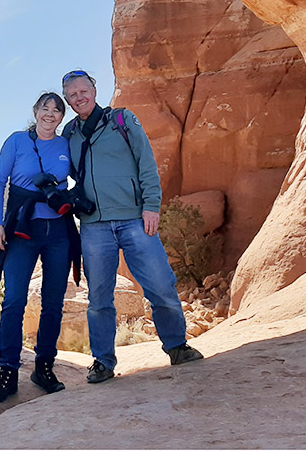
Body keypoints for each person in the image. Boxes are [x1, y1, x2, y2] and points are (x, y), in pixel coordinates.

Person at [60, 69, 203, 384]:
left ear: (94, 91)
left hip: (134, 218)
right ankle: (103, 362)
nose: (79, 97)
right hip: (94, 225)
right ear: (69, 101)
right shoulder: (69, 134)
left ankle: (177, 347)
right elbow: (64, 172)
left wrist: (152, 205)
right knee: (99, 298)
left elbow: (146, 162)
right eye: (73, 95)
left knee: (161, 285)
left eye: (83, 90)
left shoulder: (122, 120)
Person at [0, 92, 81, 403]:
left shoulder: (66, 145)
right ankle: (8, 370)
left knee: (53, 303)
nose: (50, 114)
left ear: (61, 117)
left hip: (58, 232)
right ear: (35, 111)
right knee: (14, 300)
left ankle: (44, 367)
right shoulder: (17, 141)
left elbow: (80, 180)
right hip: (22, 230)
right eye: (45, 108)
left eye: (56, 110)